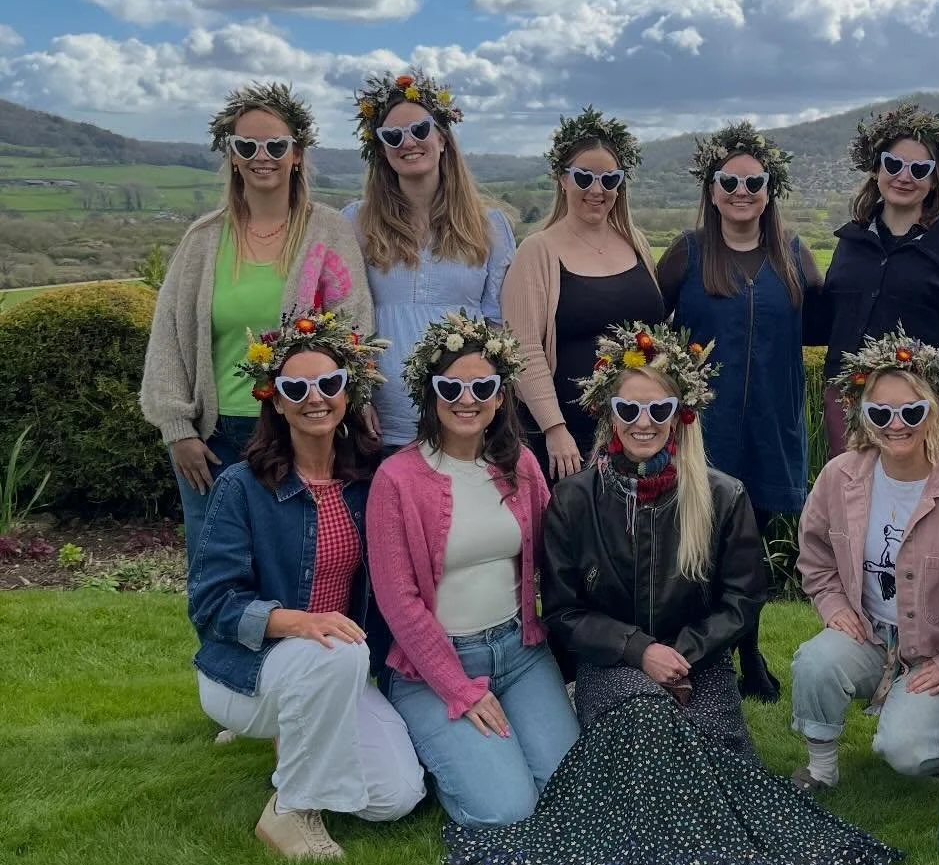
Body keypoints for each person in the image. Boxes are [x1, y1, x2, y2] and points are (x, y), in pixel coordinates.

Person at [441, 320, 900, 865]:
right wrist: (641, 653)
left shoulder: (724, 495)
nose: (643, 423)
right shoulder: (576, 499)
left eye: (658, 408)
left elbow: (740, 602)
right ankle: (658, 849)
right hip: (612, 664)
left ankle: (715, 846)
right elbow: (561, 611)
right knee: (647, 727)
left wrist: (680, 656)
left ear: (681, 412)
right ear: (608, 413)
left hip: (697, 662)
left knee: (706, 746)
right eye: (628, 410)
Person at [188, 309, 423, 860]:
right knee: (340, 651)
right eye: (297, 386)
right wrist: (299, 623)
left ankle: (299, 744)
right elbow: (211, 601)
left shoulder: (370, 482)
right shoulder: (241, 487)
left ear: (349, 392)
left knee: (395, 797)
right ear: (276, 398)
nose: (315, 397)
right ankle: (290, 810)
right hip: (250, 672)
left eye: (329, 383)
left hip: (336, 668)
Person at [141, 82, 371, 567]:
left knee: (300, 563)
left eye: (275, 145)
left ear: (297, 154)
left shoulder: (328, 233)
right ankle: (223, 649)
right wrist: (178, 428)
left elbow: (356, 330)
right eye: (246, 146)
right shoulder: (203, 239)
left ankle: (305, 648)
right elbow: (168, 338)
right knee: (217, 568)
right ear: (232, 155)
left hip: (305, 429)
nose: (260, 156)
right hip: (216, 436)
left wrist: (350, 407)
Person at [366, 312, 579, 825]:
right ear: (429, 392)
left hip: (520, 653)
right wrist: (460, 690)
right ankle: (437, 749)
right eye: (451, 387)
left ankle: (486, 748)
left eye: (482, 386)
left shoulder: (521, 465)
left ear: (500, 396)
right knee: (508, 811)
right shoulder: (396, 480)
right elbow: (400, 603)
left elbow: (555, 556)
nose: (467, 399)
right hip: (434, 667)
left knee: (571, 790)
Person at [658, 121, 827, 700]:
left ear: (769, 190)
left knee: (749, 549)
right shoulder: (687, 253)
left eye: (754, 182)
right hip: (705, 427)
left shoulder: (797, 258)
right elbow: (649, 337)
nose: (741, 191)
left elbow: (831, 326)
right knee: (697, 544)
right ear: (711, 189)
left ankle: (749, 653)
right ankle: (696, 653)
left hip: (771, 427)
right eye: (729, 180)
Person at [790, 331, 939, 792]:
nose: (895, 425)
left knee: (906, 751)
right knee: (815, 663)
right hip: (870, 634)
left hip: (938, 648)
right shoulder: (841, 476)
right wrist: (834, 605)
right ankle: (821, 770)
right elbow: (815, 555)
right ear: (864, 414)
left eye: (910, 412)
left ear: (933, 411)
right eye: (880, 412)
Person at [344, 67, 515, 450]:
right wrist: (359, 395)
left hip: (464, 414)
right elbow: (344, 320)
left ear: (442, 139)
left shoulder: (489, 225)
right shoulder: (356, 221)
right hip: (382, 423)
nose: (408, 143)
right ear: (381, 149)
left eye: (420, 130)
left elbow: (498, 324)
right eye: (393, 136)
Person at [502, 106, 664, 480]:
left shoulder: (635, 242)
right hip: (568, 438)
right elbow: (523, 348)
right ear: (563, 179)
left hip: (640, 430)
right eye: (584, 177)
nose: (597, 189)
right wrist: (554, 429)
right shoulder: (538, 251)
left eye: (609, 180)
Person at [822, 103, 939, 457]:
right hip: (849, 404)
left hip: (918, 411)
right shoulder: (851, 241)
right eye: (894, 165)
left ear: (935, 179)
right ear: (877, 170)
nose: (904, 177)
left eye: (919, 169)